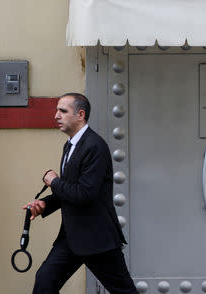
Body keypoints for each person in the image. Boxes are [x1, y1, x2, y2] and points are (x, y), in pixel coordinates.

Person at [23, 93, 138, 294]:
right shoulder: (70, 146)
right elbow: (69, 191)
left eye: (63, 111)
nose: (56, 115)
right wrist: (44, 205)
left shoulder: (95, 146)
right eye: (57, 110)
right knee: (45, 282)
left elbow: (84, 193)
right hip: (71, 238)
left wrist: (53, 181)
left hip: (97, 238)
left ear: (80, 115)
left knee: (124, 291)